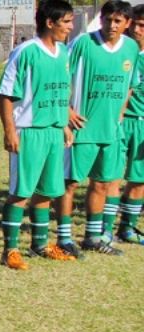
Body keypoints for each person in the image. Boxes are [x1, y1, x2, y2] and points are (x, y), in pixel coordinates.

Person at [0, 0, 77, 270]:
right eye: (65, 21)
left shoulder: (64, 52)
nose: (70, 26)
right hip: (29, 132)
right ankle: (10, 250)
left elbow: (60, 93)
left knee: (46, 192)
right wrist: (10, 131)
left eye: (70, 21)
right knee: (21, 192)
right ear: (50, 22)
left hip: (53, 132)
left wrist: (63, 123)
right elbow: (6, 94)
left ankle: (40, 244)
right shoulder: (26, 51)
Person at [54, 0, 137, 257]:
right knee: (69, 184)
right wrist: (67, 111)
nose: (112, 25)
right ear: (100, 19)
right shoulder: (83, 43)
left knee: (102, 184)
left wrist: (120, 113)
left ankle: (92, 237)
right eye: (108, 19)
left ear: (127, 23)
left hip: (110, 132)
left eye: (118, 21)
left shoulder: (131, 48)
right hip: (82, 130)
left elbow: (130, 84)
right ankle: (64, 237)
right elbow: (59, 74)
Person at [115, 5, 144, 244]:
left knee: (139, 179)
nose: (136, 29)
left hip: (142, 125)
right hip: (119, 122)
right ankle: (102, 229)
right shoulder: (119, 51)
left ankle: (127, 228)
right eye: (133, 23)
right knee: (110, 178)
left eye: (142, 26)